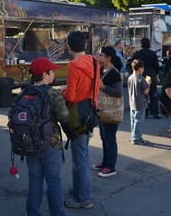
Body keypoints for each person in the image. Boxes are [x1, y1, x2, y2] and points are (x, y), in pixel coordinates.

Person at [10, 57, 68, 216]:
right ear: (44, 74)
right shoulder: (53, 94)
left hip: (29, 145)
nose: (54, 74)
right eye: (52, 71)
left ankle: (32, 212)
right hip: (51, 144)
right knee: (54, 181)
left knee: (35, 180)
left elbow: (11, 116)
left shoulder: (22, 94)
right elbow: (63, 116)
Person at [60, 31, 100, 209]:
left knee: (80, 158)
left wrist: (62, 90)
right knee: (82, 154)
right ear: (85, 45)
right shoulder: (94, 61)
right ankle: (79, 190)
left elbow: (71, 96)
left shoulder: (73, 65)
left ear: (69, 47)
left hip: (77, 114)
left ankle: (83, 198)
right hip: (90, 111)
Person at [93, 46, 123, 178]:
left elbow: (118, 92)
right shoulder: (101, 69)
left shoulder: (113, 73)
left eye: (101, 55)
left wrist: (103, 87)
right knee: (104, 137)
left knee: (110, 138)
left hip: (111, 111)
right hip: (102, 110)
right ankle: (105, 162)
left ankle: (111, 167)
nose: (98, 57)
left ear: (108, 57)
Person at [131, 37, 160, 118]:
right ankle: (155, 112)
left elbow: (131, 63)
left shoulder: (137, 54)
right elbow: (157, 66)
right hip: (151, 74)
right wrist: (156, 74)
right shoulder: (153, 54)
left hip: (140, 74)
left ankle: (145, 111)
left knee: (142, 94)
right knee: (153, 93)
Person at [127, 59, 150, 145]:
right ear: (140, 68)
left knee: (133, 120)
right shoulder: (141, 79)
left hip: (132, 101)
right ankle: (136, 138)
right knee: (138, 121)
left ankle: (133, 135)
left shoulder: (130, 78)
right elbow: (146, 91)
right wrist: (149, 83)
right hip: (140, 102)